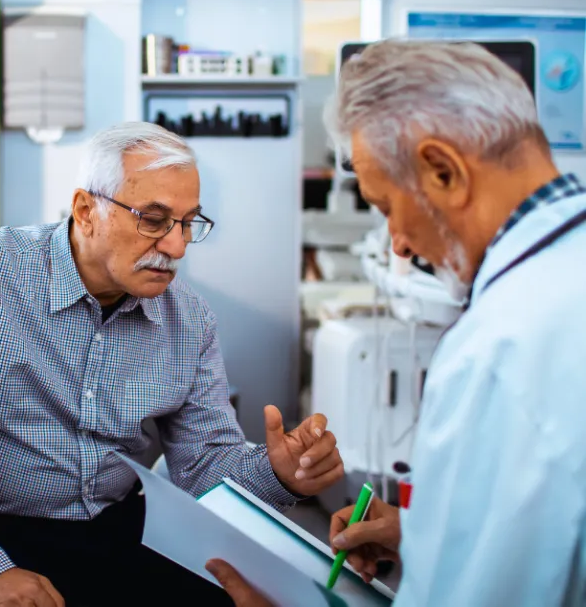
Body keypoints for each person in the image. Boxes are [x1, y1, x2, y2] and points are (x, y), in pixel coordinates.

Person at [0, 121, 345, 607]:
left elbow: (203, 466)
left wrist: (279, 472)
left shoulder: (188, 318)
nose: (177, 247)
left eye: (188, 223)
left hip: (118, 527)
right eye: (154, 219)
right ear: (86, 210)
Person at [205, 39, 586, 606]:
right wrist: (428, 537)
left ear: (443, 171)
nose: (400, 246)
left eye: (386, 208)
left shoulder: (499, 349)